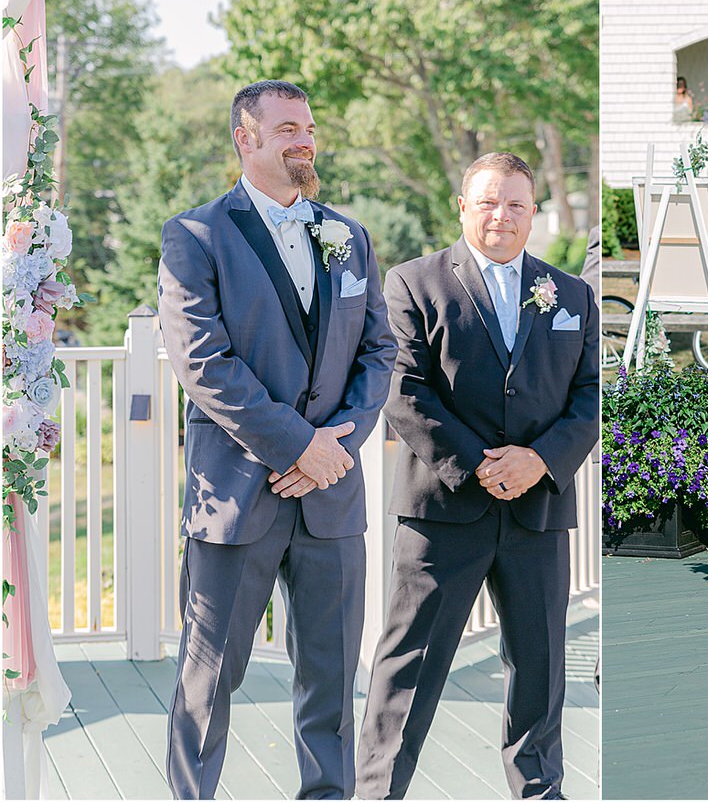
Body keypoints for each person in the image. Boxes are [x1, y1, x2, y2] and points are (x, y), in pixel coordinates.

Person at [157, 80, 397, 798]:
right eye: (287, 127)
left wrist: (335, 451)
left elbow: (378, 351)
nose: (305, 140)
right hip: (237, 498)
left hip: (330, 500)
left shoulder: (347, 236)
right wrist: (299, 445)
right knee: (208, 681)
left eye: (310, 128)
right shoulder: (195, 235)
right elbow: (204, 362)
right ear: (246, 138)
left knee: (330, 682)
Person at [355, 152, 599, 799]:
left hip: (537, 512)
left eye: (516, 203)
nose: (502, 215)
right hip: (443, 513)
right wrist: (481, 467)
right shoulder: (414, 283)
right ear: (463, 207)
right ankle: (379, 792)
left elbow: (591, 394)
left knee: (541, 672)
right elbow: (403, 390)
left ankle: (541, 792)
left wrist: (538, 461)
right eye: (488, 202)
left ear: (533, 212)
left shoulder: (571, 294)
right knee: (410, 668)